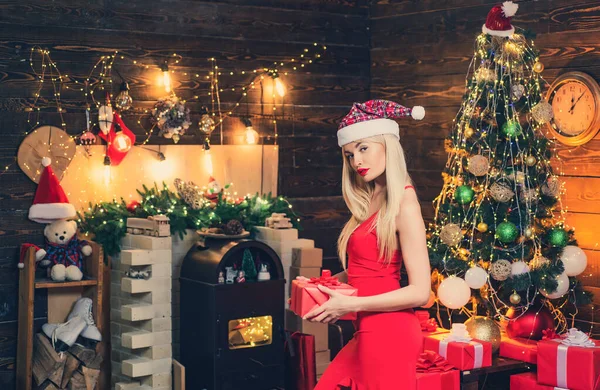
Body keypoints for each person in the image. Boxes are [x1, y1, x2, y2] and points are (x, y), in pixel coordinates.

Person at [303, 100, 432, 389]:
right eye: (349, 154)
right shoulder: (372, 197)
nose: (356, 161)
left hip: (391, 334)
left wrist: (350, 304)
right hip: (367, 330)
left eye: (364, 148)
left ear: (387, 144)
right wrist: (317, 289)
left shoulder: (405, 204)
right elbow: (366, 271)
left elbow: (421, 292)